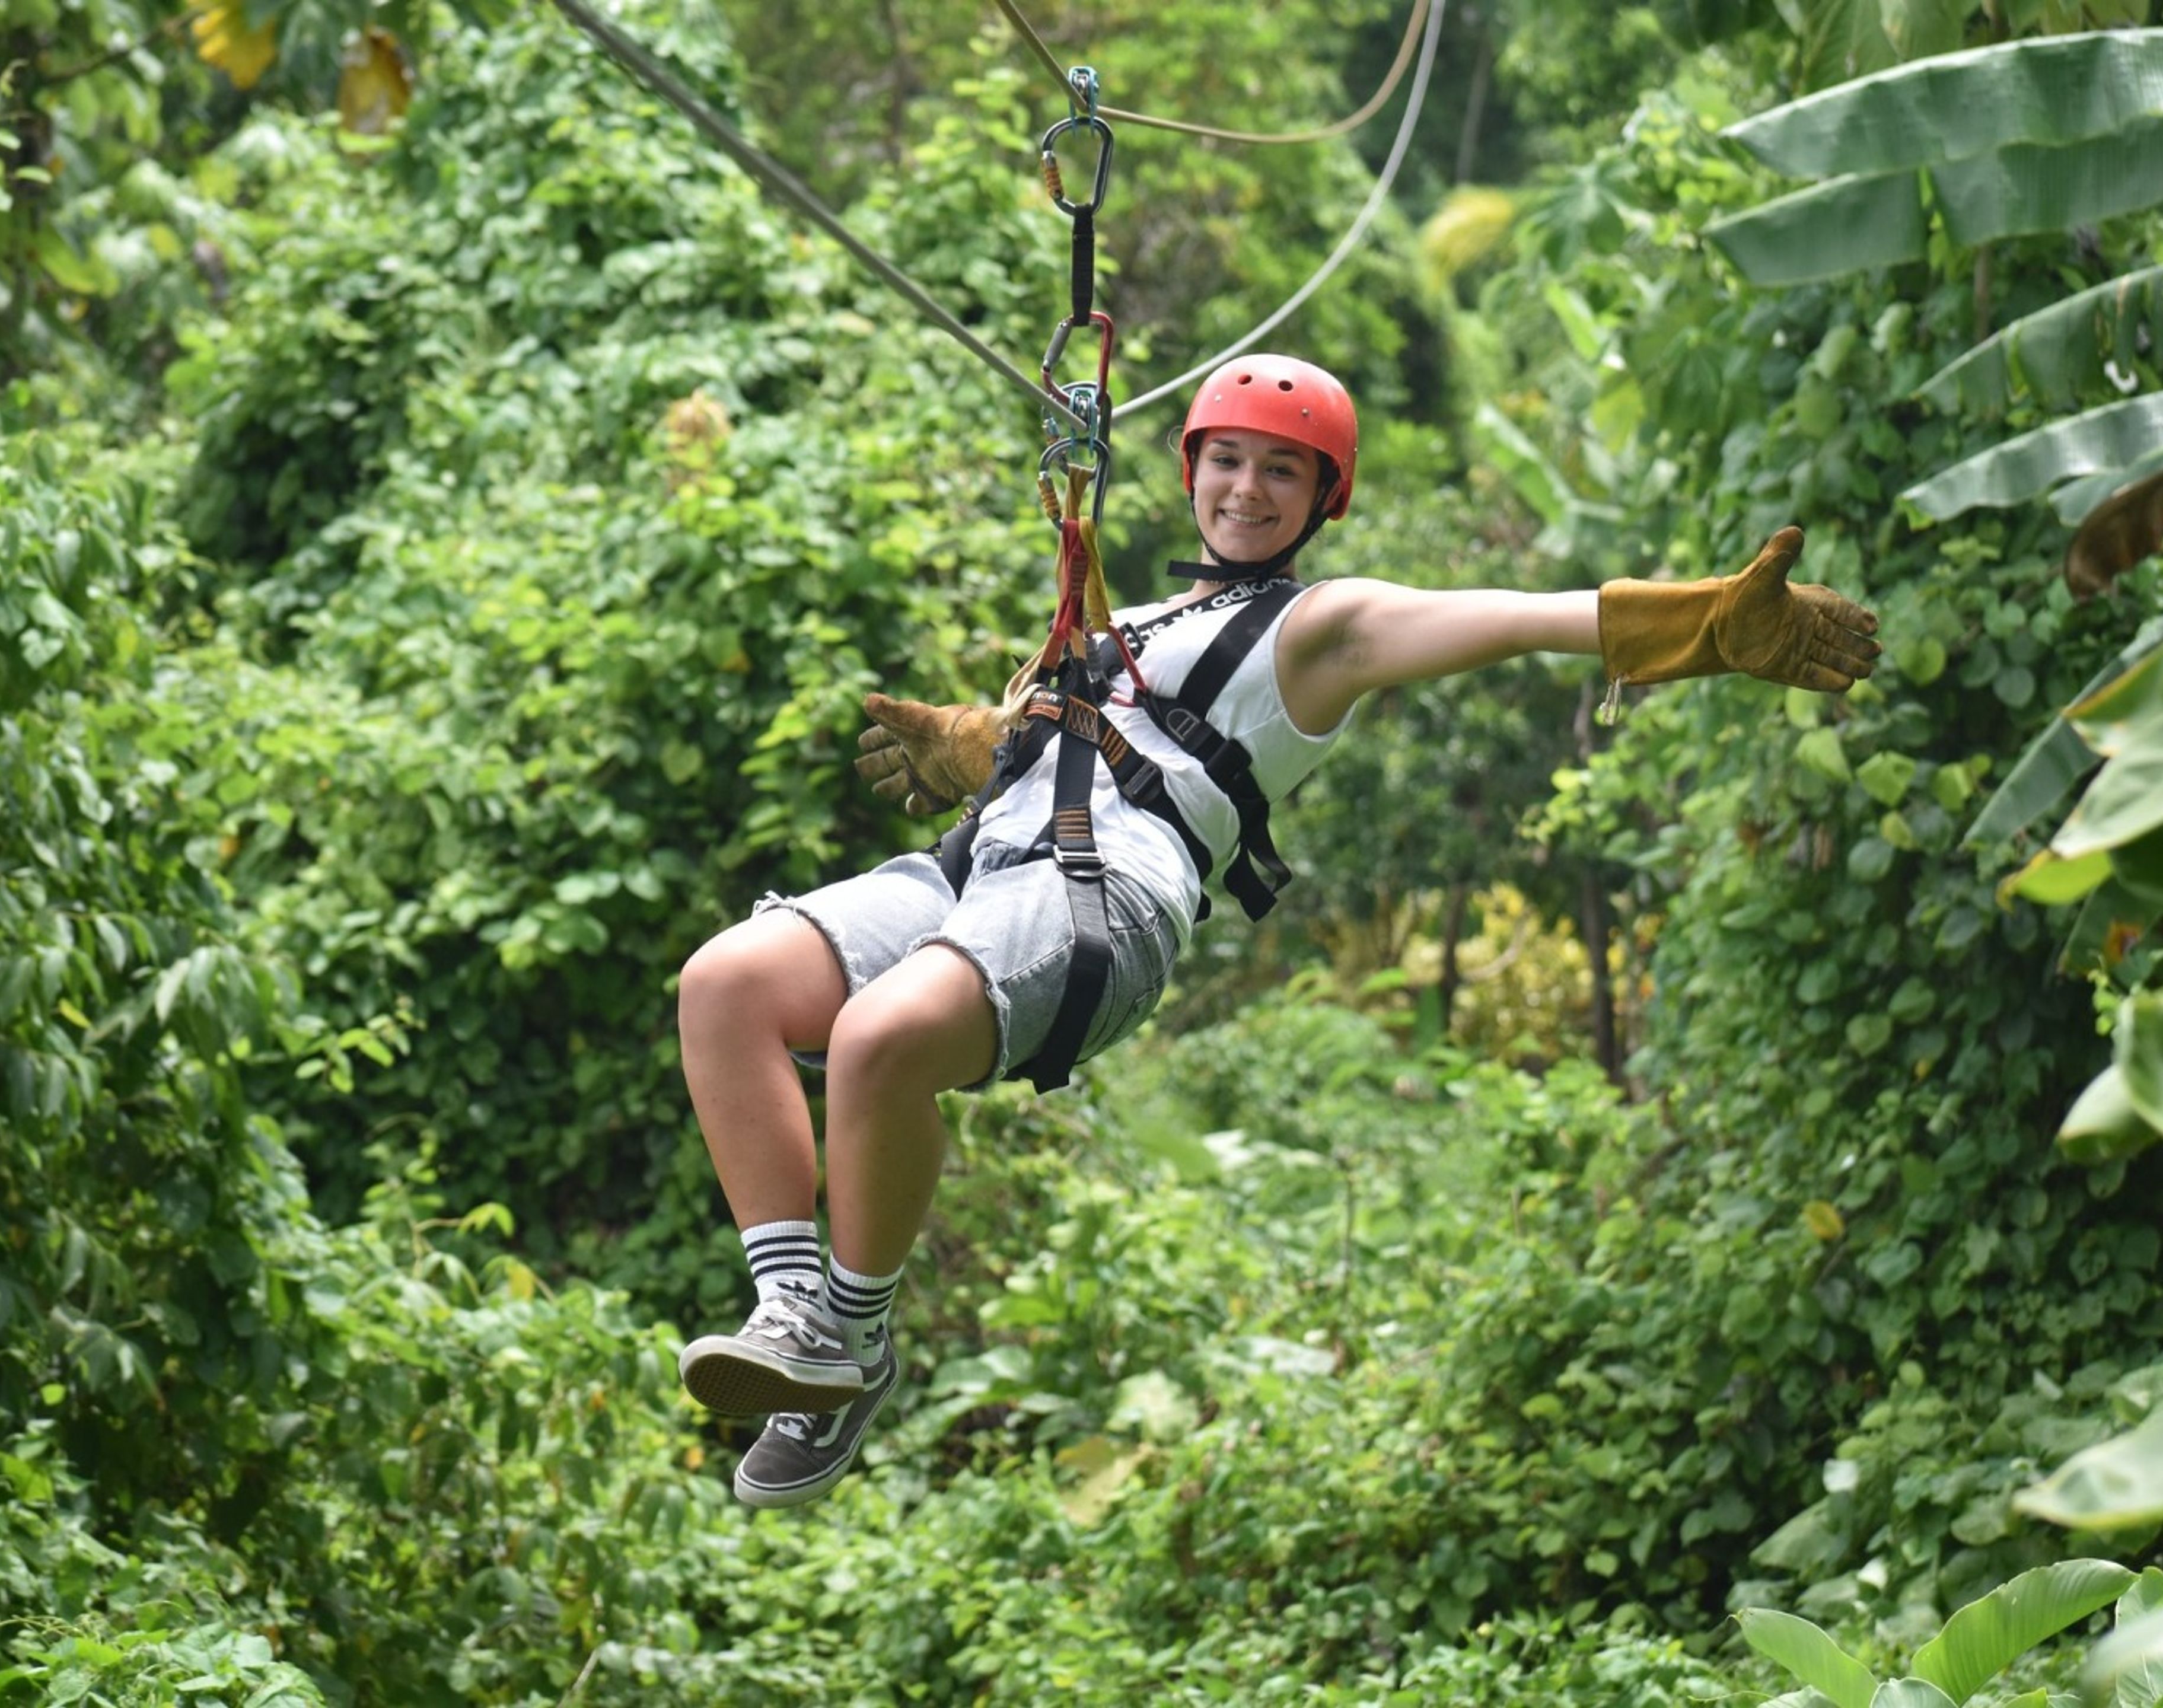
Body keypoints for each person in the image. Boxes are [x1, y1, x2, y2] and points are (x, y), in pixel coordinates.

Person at [673, 353, 1881, 1509]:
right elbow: (1058, 741)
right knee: (728, 983)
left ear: (1322, 499)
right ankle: (794, 1315)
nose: (1247, 489)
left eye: (1282, 471)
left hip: (1103, 894)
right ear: (1191, 470)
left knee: (882, 1039)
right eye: (1229, 460)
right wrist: (975, 743)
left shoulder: (1319, 629)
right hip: (977, 868)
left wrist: (1709, 624)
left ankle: (852, 1346)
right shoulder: (1133, 622)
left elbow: (1513, 617)